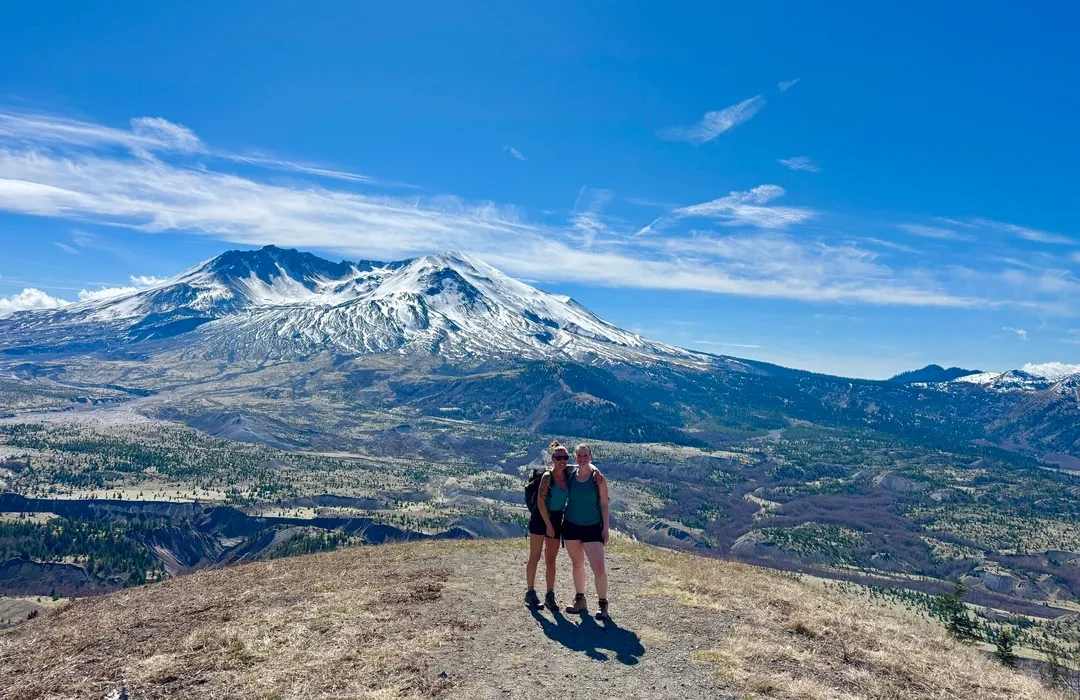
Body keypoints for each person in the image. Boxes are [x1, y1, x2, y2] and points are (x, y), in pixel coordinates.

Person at [562, 443, 612, 620]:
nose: (582, 458)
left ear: (590, 457)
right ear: (576, 457)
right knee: (577, 564)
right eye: (579, 455)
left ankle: (603, 603)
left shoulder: (597, 478)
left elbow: (605, 504)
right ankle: (580, 599)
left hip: (592, 526)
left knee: (598, 567)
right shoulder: (570, 474)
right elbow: (557, 467)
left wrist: (605, 528)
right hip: (571, 525)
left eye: (585, 455)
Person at [525, 440, 571, 611]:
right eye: (559, 457)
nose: (562, 460)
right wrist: (548, 525)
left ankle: (550, 595)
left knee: (551, 560)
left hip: (556, 519)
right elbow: (541, 502)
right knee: (535, 556)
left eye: (565, 457)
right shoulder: (547, 476)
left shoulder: (567, 473)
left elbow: (584, 466)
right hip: (541, 519)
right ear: (552, 458)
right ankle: (530, 592)